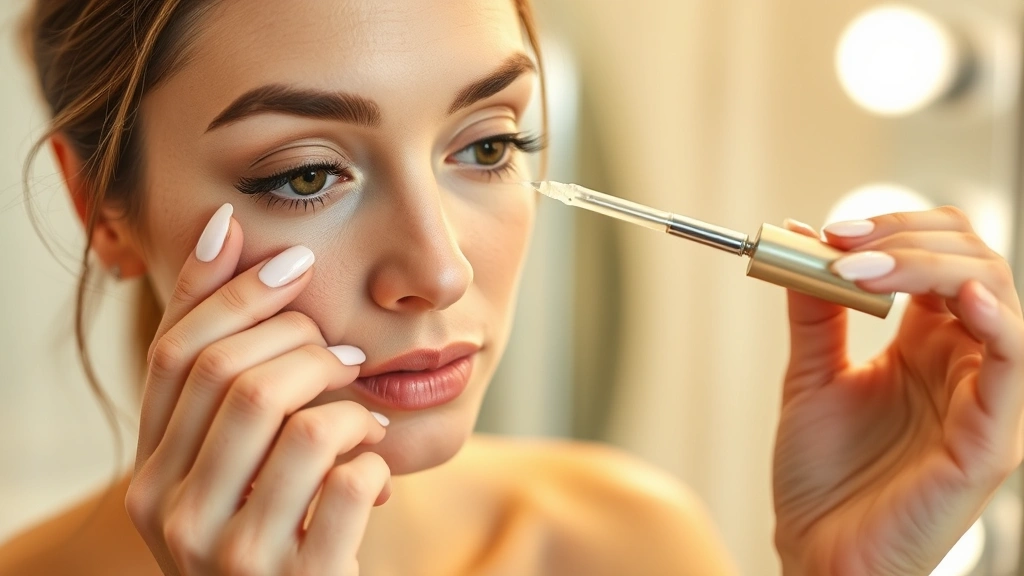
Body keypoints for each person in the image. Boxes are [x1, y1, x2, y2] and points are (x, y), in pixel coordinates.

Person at [2, 0, 1022, 574]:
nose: (439, 269)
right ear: (102, 205)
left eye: (487, 144)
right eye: (306, 176)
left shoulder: (618, 543)